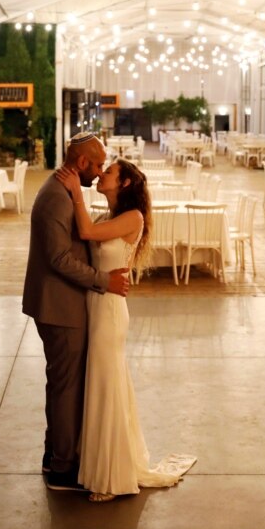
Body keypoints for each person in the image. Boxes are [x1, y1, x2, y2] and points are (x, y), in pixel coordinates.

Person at [56, 158, 196, 502]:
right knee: (102, 384)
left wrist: (75, 191)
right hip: (97, 303)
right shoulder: (109, 217)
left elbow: (86, 233)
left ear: (126, 184)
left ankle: (111, 476)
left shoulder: (132, 218)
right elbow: (85, 233)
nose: (101, 175)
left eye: (109, 173)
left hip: (110, 311)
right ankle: (101, 464)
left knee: (107, 386)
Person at [22, 132, 129, 492]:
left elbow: (81, 235)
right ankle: (63, 469)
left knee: (62, 384)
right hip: (60, 305)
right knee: (67, 388)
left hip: (62, 303)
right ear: (81, 162)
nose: (99, 173)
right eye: (97, 165)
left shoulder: (66, 190)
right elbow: (58, 258)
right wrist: (103, 280)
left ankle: (55, 454)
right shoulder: (56, 196)